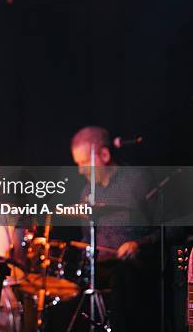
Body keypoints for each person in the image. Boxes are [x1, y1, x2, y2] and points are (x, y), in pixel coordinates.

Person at [70, 126, 159, 332]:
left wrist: (138, 244)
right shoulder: (86, 192)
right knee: (67, 290)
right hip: (102, 269)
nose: (80, 170)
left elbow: (169, 229)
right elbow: (86, 239)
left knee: (122, 279)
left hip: (137, 269)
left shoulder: (138, 181)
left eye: (84, 162)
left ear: (104, 154)